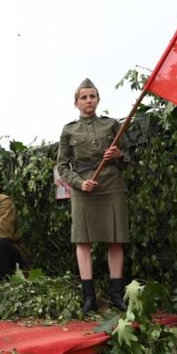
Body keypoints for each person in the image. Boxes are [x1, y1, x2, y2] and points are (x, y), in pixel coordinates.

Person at [56, 78, 129, 315]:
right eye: (84, 97)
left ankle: (117, 296)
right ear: (76, 102)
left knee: (115, 239)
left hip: (111, 183)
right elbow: (63, 166)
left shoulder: (112, 125)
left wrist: (118, 154)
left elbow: (128, 157)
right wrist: (79, 183)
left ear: (98, 100)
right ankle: (89, 299)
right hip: (83, 188)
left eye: (92, 96)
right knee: (83, 240)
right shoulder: (68, 130)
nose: (89, 101)